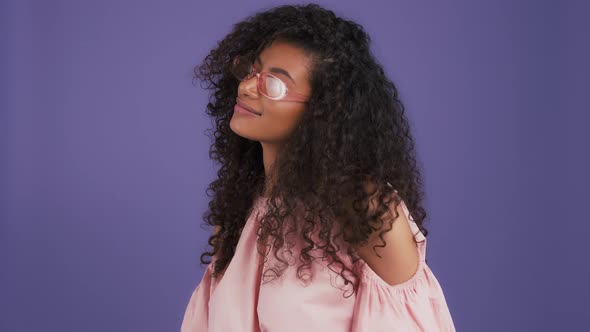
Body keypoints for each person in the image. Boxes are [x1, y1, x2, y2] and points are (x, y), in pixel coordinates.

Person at [181, 3, 455, 331]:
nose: (247, 87)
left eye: (274, 83)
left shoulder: (364, 206)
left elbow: (416, 319)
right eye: (252, 70)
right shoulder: (236, 216)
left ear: (322, 113)